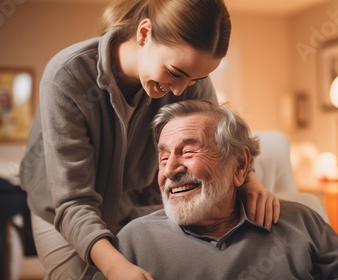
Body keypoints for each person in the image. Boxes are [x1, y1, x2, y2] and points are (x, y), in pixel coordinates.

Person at [18, 0, 279, 279]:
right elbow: (73, 201)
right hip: (64, 211)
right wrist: (115, 266)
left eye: (193, 80)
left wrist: (250, 182)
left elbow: (218, 139)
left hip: (132, 203)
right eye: (175, 73)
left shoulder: (190, 79)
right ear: (144, 34)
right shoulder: (67, 76)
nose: (180, 91)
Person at [95, 100, 338, 279]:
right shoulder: (135, 240)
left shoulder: (299, 221)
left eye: (189, 151)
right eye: (164, 156)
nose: (169, 171)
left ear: (240, 165)